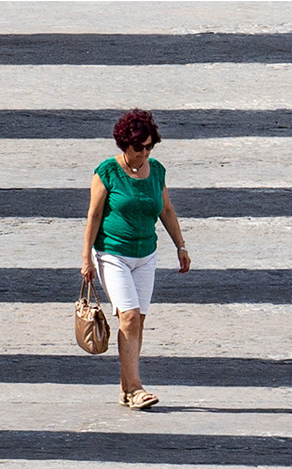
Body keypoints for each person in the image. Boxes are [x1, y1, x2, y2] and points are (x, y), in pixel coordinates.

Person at [81, 109, 191, 409]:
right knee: (128, 317)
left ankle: (126, 388)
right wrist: (86, 260)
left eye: (149, 146)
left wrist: (180, 245)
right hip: (112, 253)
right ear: (124, 145)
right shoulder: (107, 172)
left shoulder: (156, 170)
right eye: (138, 148)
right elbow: (93, 215)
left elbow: (165, 209)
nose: (144, 153)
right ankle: (136, 388)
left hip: (146, 256)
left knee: (137, 322)